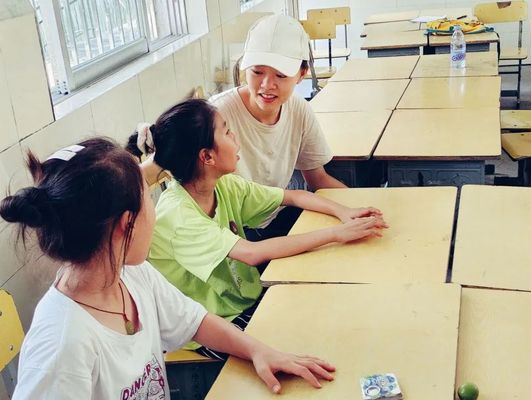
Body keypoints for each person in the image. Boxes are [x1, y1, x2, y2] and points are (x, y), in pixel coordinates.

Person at [0, 138, 336, 398]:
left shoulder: (130, 275)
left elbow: (195, 321)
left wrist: (259, 351)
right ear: (127, 224)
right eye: (149, 199)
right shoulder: (62, 345)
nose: (157, 209)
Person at [130, 99, 387, 359]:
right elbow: (252, 253)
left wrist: (343, 212)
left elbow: (293, 196)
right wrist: (335, 234)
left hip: (243, 297)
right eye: (227, 132)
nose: (235, 137)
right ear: (207, 156)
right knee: (309, 341)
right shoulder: (178, 215)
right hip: (210, 324)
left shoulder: (223, 185)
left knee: (320, 310)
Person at [218, 14, 348, 239]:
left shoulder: (298, 110)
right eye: (257, 72)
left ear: (301, 74)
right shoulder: (217, 115)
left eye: (280, 75)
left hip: (275, 217)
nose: (267, 85)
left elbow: (317, 179)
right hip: (234, 233)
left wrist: (362, 205)